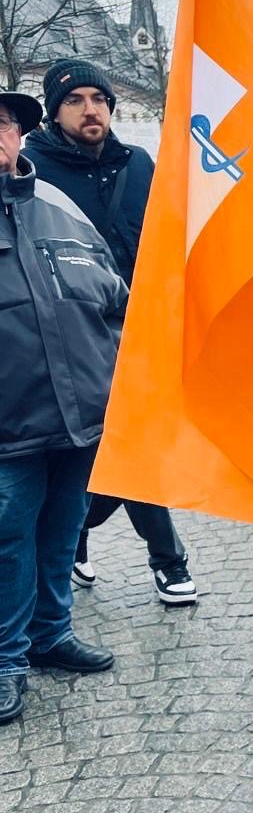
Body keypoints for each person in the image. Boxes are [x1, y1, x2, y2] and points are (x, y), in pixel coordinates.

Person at [23, 60, 197, 606]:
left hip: (143, 331)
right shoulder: (35, 173)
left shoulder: (142, 164)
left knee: (135, 443)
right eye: (75, 100)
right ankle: (165, 560)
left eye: (99, 98)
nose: (91, 108)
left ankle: (81, 539)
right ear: (54, 112)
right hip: (74, 336)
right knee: (107, 449)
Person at [0, 90, 126, 725]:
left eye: (3, 124)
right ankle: (4, 659)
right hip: (7, 424)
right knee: (6, 538)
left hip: (79, 416)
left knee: (60, 530)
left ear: (20, 134)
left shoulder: (59, 206)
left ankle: (51, 633)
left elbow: (112, 298)